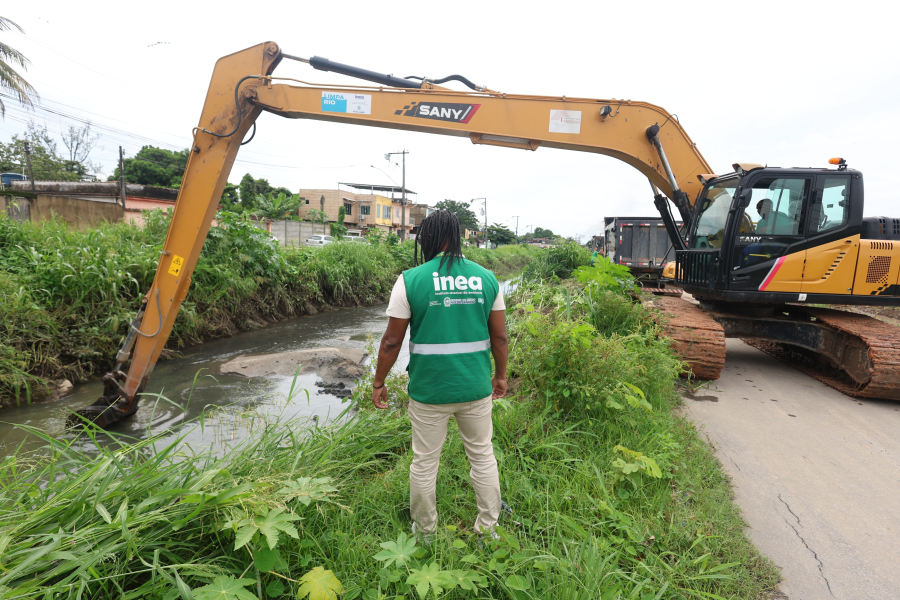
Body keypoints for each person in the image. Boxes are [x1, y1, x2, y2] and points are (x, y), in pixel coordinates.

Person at [372, 210, 508, 540]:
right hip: (475, 387)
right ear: (458, 237)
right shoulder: (487, 278)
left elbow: (392, 340)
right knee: (482, 457)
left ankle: (425, 534)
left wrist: (379, 381)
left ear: (429, 237)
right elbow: (500, 337)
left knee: (424, 463)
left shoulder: (410, 280)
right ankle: (488, 530)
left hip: (429, 392)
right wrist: (501, 376)